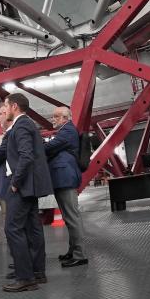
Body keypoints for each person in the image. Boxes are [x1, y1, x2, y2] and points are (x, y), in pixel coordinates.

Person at [0, 93, 53, 292]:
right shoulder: (28, 124)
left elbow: (26, 156)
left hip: (22, 186)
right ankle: (37, 272)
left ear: (13, 107)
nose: (4, 110)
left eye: (6, 106)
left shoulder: (20, 125)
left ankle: (25, 277)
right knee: (32, 228)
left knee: (12, 228)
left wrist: (15, 183)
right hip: (30, 186)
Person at [44, 106, 88, 268]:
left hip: (65, 178)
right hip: (62, 178)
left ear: (65, 118)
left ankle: (80, 254)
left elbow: (49, 148)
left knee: (72, 217)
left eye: (56, 116)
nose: (53, 119)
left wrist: (36, 144)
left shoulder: (68, 131)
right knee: (69, 218)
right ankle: (72, 251)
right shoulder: (65, 131)